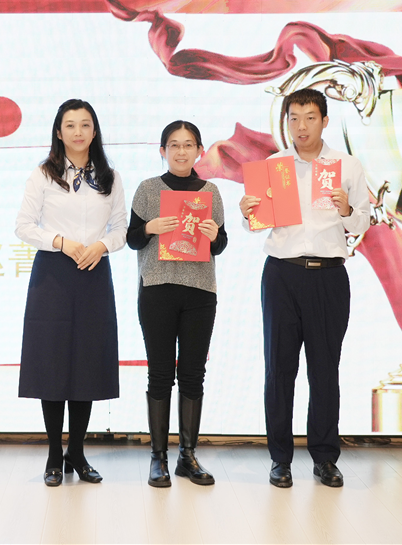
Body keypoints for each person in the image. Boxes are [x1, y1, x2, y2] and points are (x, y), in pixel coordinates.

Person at [239, 88, 370, 488]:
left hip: (329, 276)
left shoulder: (347, 166)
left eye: (310, 117)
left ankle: (325, 458)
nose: (301, 126)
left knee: (325, 370)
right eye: (294, 118)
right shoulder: (274, 166)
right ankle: (280, 459)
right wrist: (247, 213)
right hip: (282, 274)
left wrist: (346, 208)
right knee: (279, 370)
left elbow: (361, 223)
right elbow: (256, 225)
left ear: (324, 121)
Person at [15, 99, 128, 487]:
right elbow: (24, 226)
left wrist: (102, 246)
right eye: (70, 125)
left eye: (85, 125)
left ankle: (76, 453)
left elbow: (121, 229)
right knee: (52, 365)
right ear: (59, 132)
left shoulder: (110, 177)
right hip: (53, 275)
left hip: (94, 274)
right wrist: (61, 242)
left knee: (86, 366)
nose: (78, 132)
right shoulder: (43, 175)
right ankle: (53, 454)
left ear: (94, 132)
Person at [127, 120, 227, 488]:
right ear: (162, 151)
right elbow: (132, 239)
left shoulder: (211, 192)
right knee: (159, 374)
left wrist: (214, 236)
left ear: (199, 150)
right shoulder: (148, 189)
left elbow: (220, 244)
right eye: (174, 145)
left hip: (200, 292)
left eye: (188, 145)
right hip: (157, 290)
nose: (181, 151)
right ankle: (158, 457)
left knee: (193, 374)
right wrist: (150, 228)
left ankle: (188, 455)